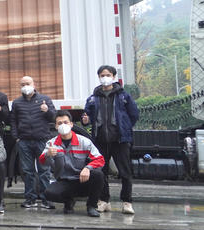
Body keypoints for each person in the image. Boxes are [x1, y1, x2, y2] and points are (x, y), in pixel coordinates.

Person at [82, 65, 139, 215]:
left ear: (113, 77)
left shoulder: (123, 96)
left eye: (107, 75)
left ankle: (127, 202)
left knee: (125, 172)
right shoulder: (93, 98)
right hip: (100, 140)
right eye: (102, 75)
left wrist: (125, 127)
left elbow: (134, 114)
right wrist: (85, 120)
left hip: (120, 140)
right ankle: (104, 201)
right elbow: (86, 117)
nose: (105, 78)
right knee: (101, 172)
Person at [41, 111, 106, 217]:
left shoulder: (84, 141)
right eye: (59, 123)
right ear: (56, 126)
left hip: (82, 180)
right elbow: (41, 161)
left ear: (71, 124)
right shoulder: (52, 143)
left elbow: (100, 160)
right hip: (65, 181)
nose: (63, 125)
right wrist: (48, 154)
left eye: (65, 122)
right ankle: (68, 201)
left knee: (98, 175)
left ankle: (91, 206)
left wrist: (88, 168)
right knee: (49, 193)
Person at [11, 76, 56, 209]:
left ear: (33, 84)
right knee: (27, 171)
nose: (25, 86)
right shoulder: (17, 102)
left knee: (44, 170)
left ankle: (47, 198)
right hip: (24, 141)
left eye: (28, 83)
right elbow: (13, 121)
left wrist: (47, 111)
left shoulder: (45, 99)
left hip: (42, 140)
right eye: (23, 84)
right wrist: (16, 137)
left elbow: (54, 117)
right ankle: (30, 199)